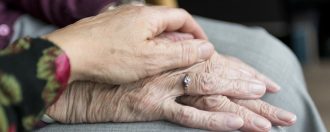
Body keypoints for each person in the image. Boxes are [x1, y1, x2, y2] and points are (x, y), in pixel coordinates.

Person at [0, 1, 326, 132]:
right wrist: (64, 92)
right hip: (12, 90)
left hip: (23, 26)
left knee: (270, 61)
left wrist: (113, 15)